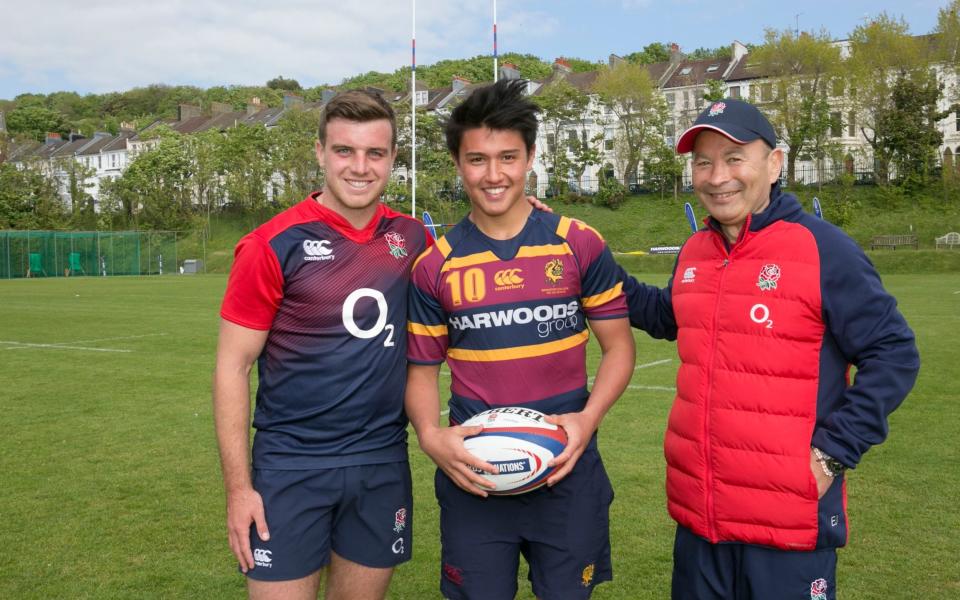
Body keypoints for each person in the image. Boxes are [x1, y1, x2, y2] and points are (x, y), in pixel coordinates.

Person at [620, 98, 920, 599]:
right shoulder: (697, 250)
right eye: (703, 161)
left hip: (787, 524)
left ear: (774, 163)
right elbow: (663, 314)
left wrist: (832, 453)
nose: (718, 176)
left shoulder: (823, 248)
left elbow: (894, 353)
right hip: (702, 518)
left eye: (735, 158)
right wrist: (586, 261)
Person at [405, 79, 636, 600]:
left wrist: (587, 419)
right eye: (477, 160)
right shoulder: (435, 265)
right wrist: (428, 434)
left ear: (530, 157)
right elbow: (419, 371)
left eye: (508, 157)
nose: (493, 175)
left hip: (567, 470)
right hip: (474, 478)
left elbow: (619, 348)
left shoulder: (578, 243)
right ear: (458, 164)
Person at [212, 89, 429, 600]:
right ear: (319, 153)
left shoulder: (414, 239)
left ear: (393, 158)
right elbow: (232, 368)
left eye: (375, 153)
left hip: (381, 463)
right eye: (344, 151)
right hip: (290, 467)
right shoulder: (271, 244)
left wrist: (523, 211)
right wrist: (239, 490)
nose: (360, 166)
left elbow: (477, 257)